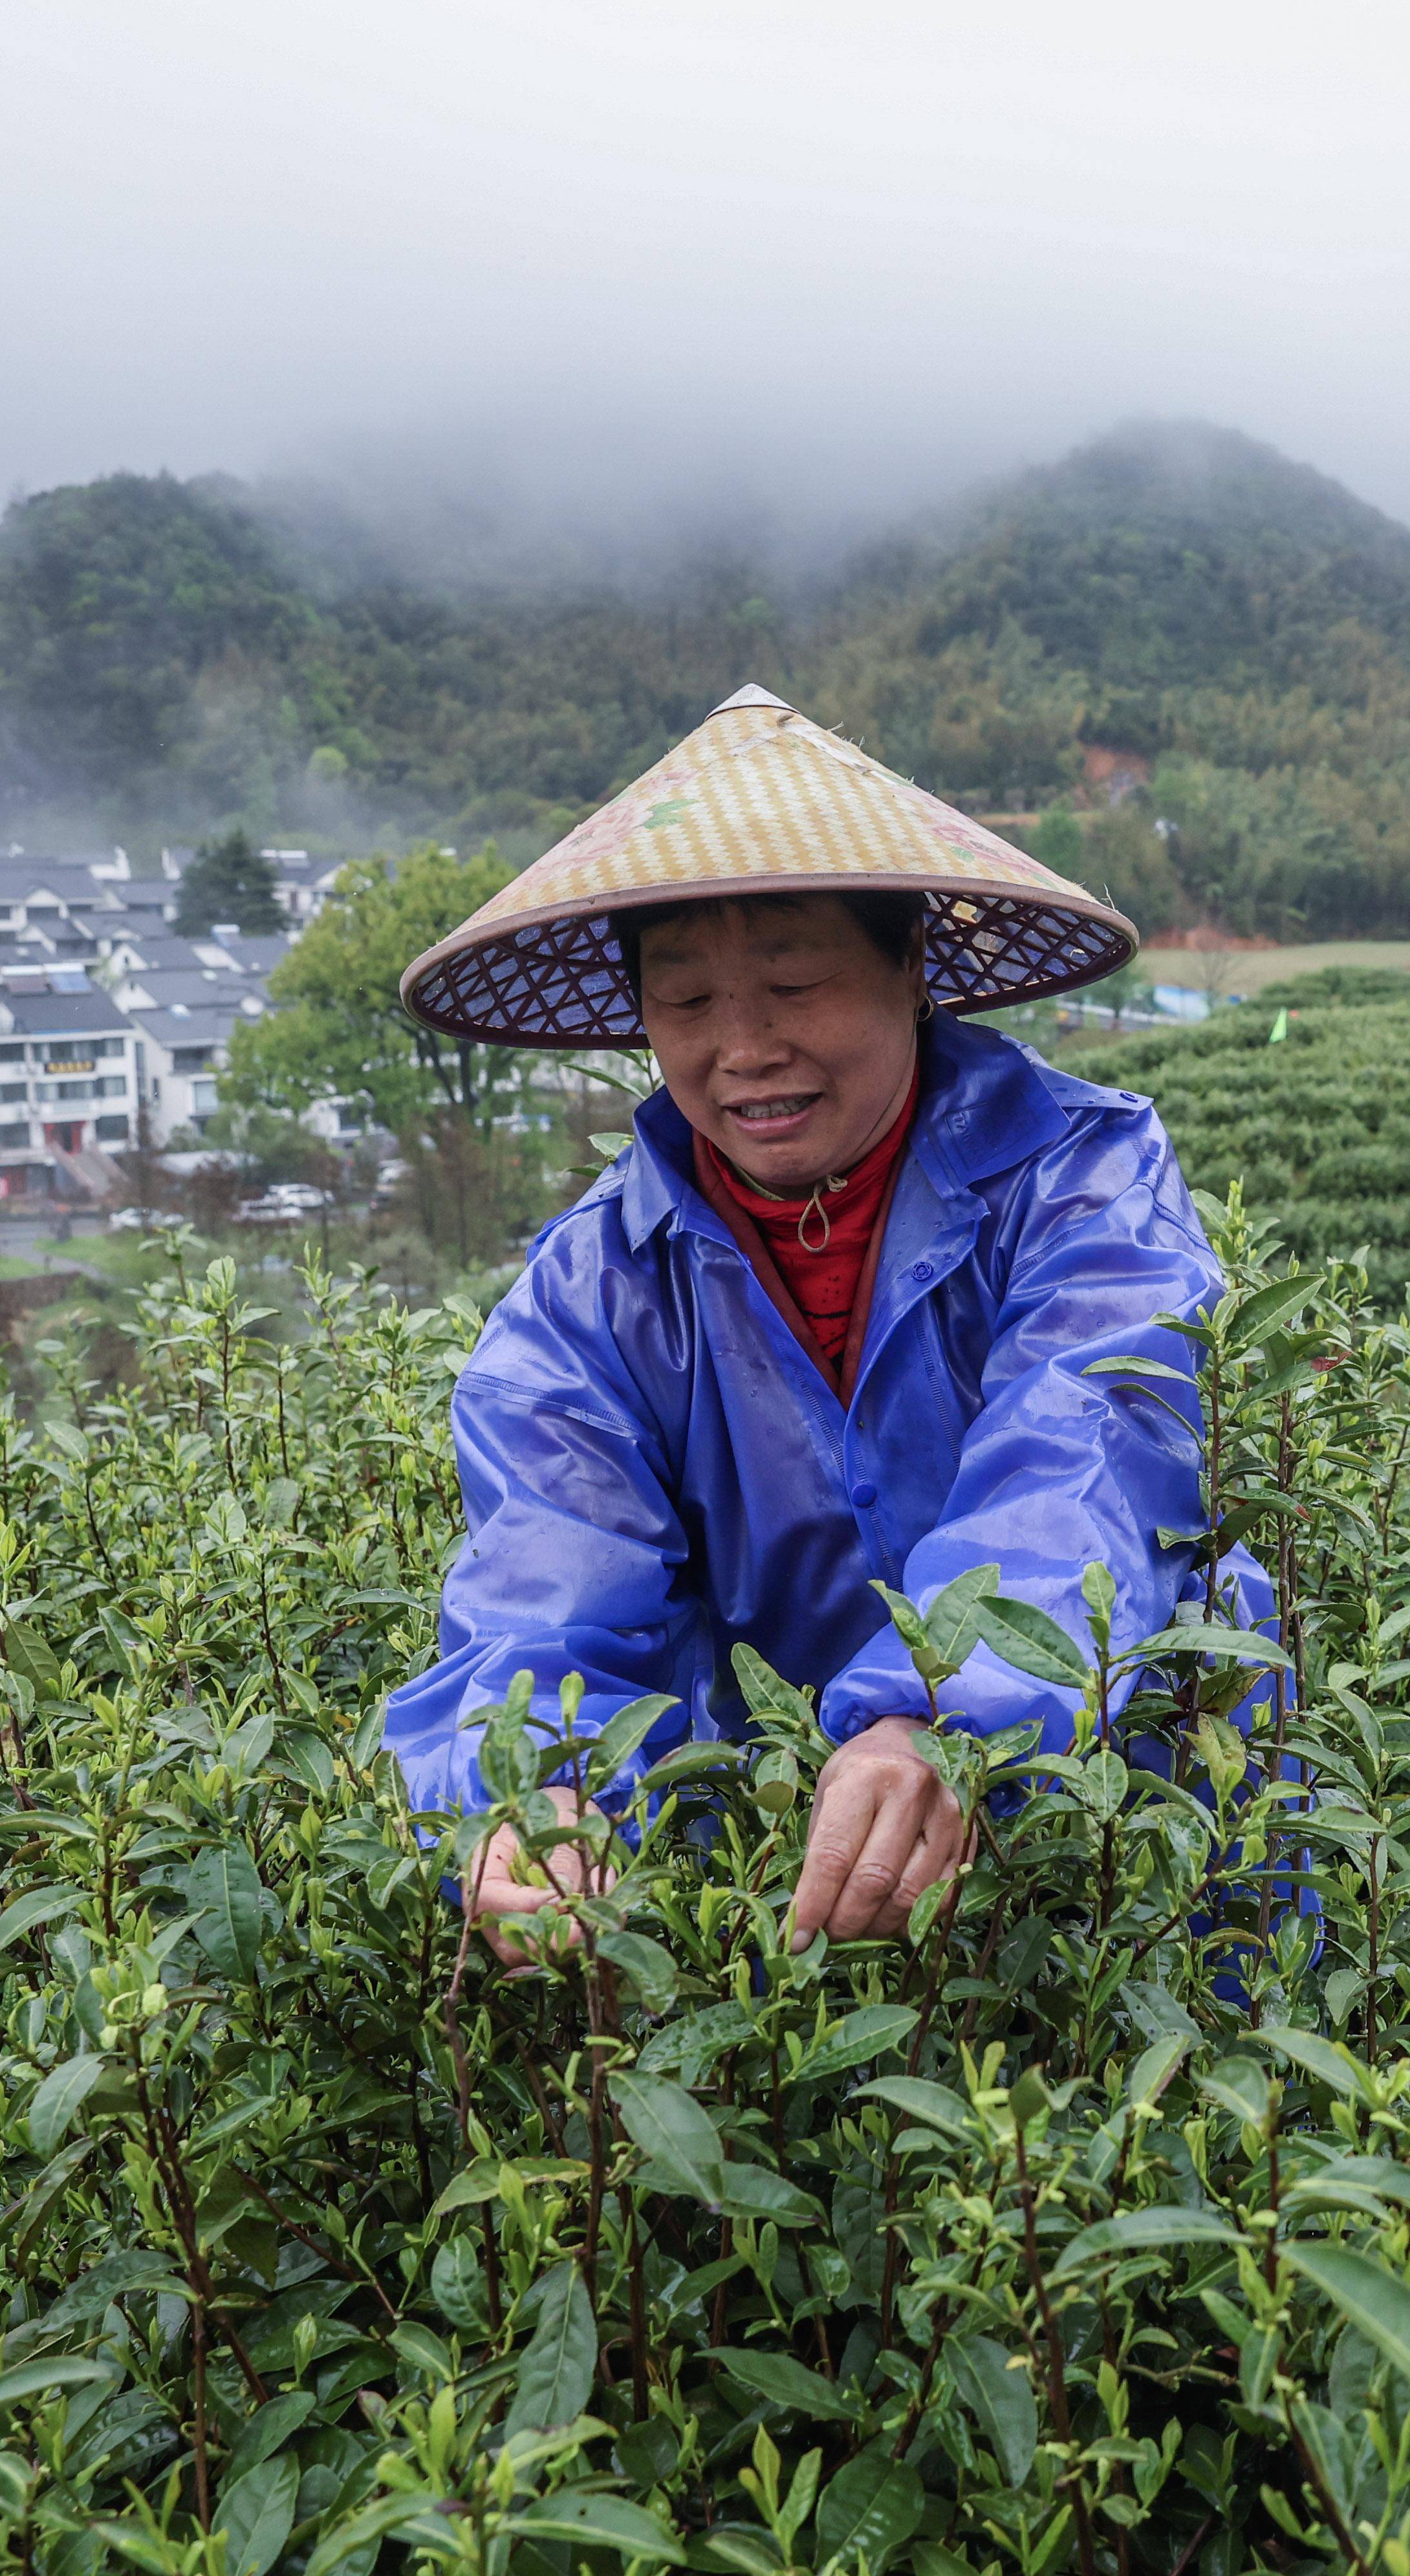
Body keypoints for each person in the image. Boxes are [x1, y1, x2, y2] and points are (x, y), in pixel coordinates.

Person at [378, 685, 1259, 1959]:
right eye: (684, 1003)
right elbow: (542, 1590)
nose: (744, 1046)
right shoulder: (595, 1294)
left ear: (912, 970)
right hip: (796, 1881)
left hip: (1127, 1829)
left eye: (794, 981)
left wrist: (945, 1704)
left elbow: (1088, 1453)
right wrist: (533, 1793)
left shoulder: (1084, 1182)